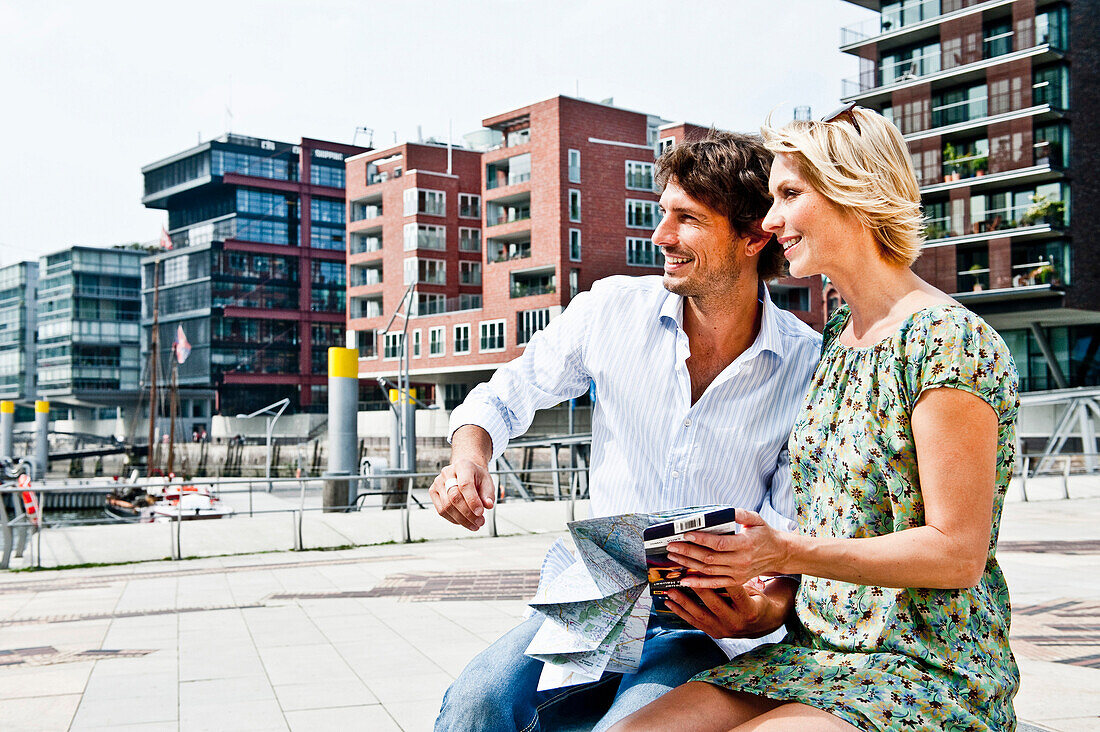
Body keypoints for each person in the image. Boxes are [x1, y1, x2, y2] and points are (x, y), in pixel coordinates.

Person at [612, 105, 1020, 732]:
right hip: (812, 657)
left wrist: (784, 549)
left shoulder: (946, 341)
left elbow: (956, 553)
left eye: (789, 194)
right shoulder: (835, 340)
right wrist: (761, 599)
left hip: (923, 667)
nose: (770, 221)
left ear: (852, 193)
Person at [430, 131, 822, 731]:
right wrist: (470, 458)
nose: (661, 237)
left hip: (703, 627)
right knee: (476, 704)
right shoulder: (610, 309)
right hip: (593, 598)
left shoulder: (805, 364)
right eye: (663, 214)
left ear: (753, 235)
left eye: (687, 219)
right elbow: (505, 395)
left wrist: (763, 609)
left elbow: (789, 526)